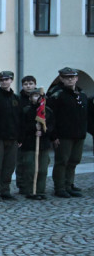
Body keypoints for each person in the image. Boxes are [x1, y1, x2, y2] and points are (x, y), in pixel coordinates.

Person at [47, 67, 89, 198]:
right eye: (66, 77)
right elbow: (50, 116)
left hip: (79, 134)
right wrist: (53, 136)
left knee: (74, 160)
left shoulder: (81, 95)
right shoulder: (57, 95)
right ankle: (60, 187)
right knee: (62, 161)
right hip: (63, 135)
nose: (70, 79)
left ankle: (69, 184)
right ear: (61, 79)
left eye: (72, 77)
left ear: (76, 78)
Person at [19, 89, 55, 199]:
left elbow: (52, 126)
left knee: (43, 169)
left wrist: (44, 131)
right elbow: (21, 126)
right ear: (30, 98)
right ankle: (30, 190)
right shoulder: (26, 110)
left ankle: (40, 190)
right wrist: (33, 128)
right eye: (34, 96)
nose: (37, 98)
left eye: (39, 96)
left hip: (43, 144)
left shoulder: (47, 111)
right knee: (30, 168)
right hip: (29, 143)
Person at [0, 71, 21, 201]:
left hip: (13, 137)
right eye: (1, 80)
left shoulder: (16, 98)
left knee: (9, 166)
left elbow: (20, 119)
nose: (4, 81)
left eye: (6, 79)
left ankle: (5, 190)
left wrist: (20, 137)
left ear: (11, 80)